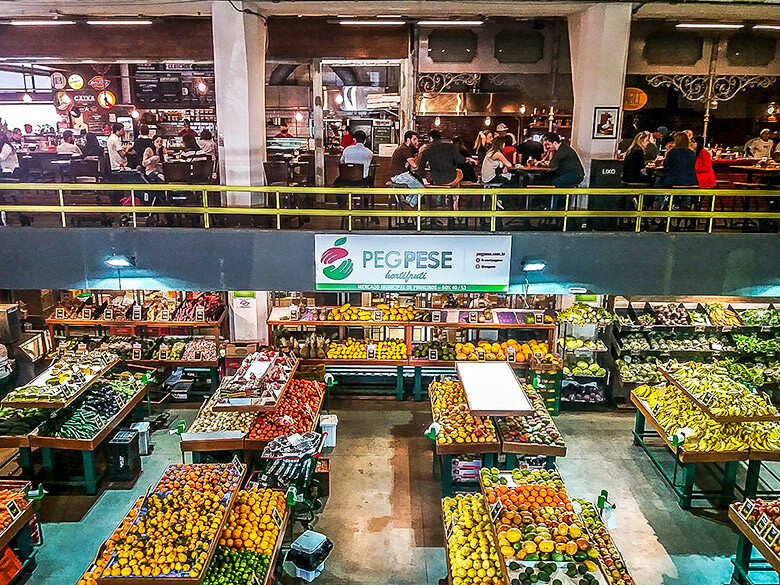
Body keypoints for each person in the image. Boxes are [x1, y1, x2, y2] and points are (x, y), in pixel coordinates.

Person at [389, 131, 423, 206]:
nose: (416, 142)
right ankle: (410, 205)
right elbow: (414, 166)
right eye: (414, 140)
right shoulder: (405, 149)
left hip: (399, 175)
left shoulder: (405, 148)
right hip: (399, 176)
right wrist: (420, 152)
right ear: (408, 140)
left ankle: (406, 203)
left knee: (417, 188)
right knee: (421, 189)